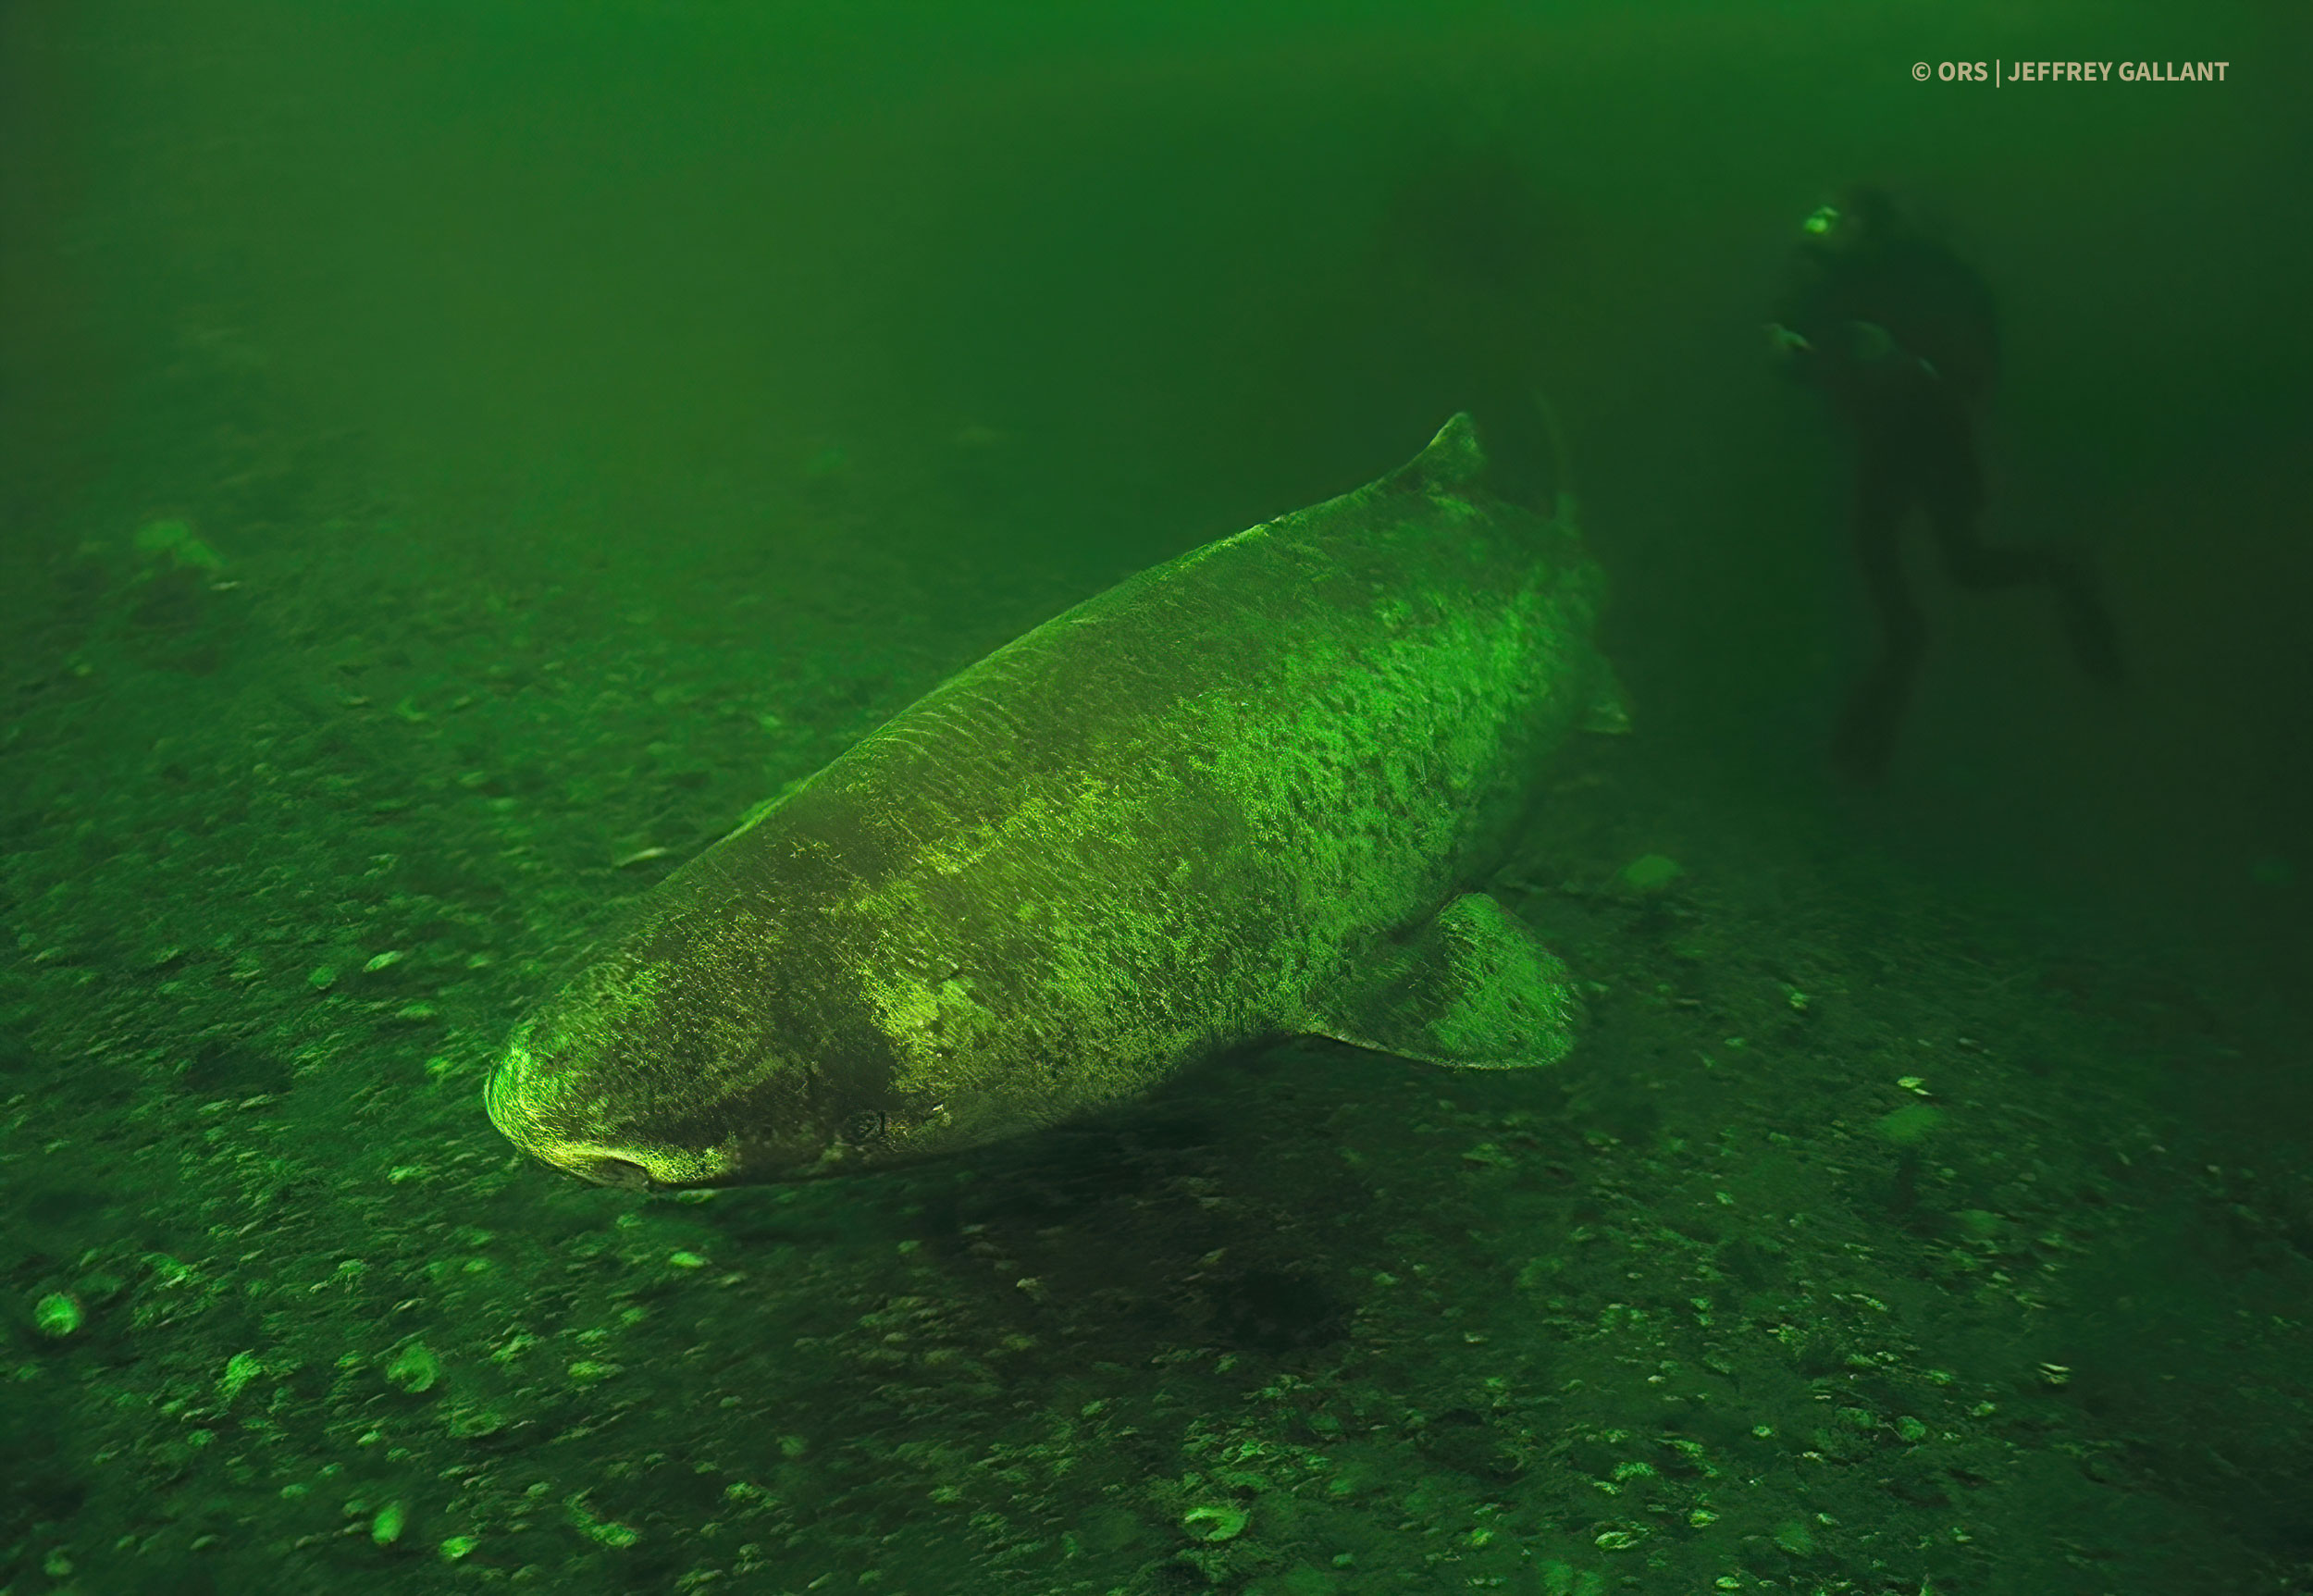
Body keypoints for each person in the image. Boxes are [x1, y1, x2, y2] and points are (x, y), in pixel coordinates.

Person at [1769, 185, 2123, 783]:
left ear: (1872, 227)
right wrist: (1788, 351)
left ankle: (2064, 571)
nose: (1831, 232)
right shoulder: (1834, 285)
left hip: (1934, 440)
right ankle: (1876, 719)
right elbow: (1808, 353)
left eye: (1844, 222)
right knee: (1898, 570)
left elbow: (1968, 368)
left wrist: (1903, 360)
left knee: (1965, 565)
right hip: (1883, 445)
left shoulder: (1926, 276)